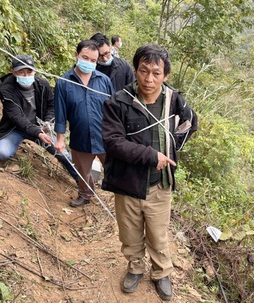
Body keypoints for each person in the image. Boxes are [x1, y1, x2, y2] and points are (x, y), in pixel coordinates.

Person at [102, 44, 198, 301]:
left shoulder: (175, 99)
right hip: (128, 182)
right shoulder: (118, 102)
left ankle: (161, 272)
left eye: (156, 73)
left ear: (165, 75)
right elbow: (112, 142)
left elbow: (191, 122)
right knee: (129, 232)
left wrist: (175, 145)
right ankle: (134, 267)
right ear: (136, 70)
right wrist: (151, 155)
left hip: (159, 185)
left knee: (158, 233)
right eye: (144, 71)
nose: (149, 79)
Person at [0, 54, 78, 182]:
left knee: (62, 154)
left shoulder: (42, 84)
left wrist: (47, 122)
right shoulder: (6, 89)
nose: (26, 76)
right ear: (13, 72)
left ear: (34, 71)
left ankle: (82, 181)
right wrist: (37, 133)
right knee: (2, 153)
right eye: (21, 72)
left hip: (41, 128)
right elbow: (17, 117)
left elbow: (52, 106)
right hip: (15, 129)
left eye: (29, 71)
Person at [54, 40, 114, 207]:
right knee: (83, 171)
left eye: (93, 60)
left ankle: (119, 198)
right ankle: (85, 195)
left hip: (105, 137)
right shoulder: (64, 83)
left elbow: (114, 109)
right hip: (80, 137)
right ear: (76, 55)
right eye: (85, 57)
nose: (88, 63)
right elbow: (60, 113)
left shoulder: (104, 81)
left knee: (114, 169)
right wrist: (60, 139)